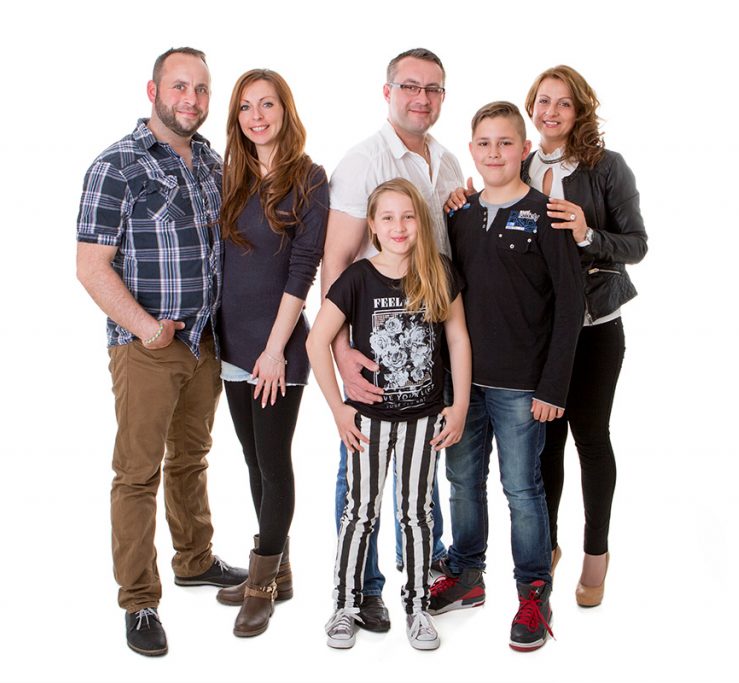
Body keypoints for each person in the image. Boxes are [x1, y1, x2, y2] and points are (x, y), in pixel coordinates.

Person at [75, 47, 246, 657]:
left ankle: (195, 560)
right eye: (179, 87)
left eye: (201, 89)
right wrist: (147, 329)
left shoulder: (211, 162)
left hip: (206, 341)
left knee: (191, 459)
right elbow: (91, 266)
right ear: (153, 91)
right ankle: (140, 600)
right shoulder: (116, 165)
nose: (191, 100)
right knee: (137, 473)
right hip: (148, 347)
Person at [322, 47, 466, 632]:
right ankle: (363, 591)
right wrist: (341, 354)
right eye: (410, 86)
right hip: (374, 357)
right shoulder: (363, 161)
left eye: (433, 89)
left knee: (419, 480)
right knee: (360, 482)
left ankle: (419, 583)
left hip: (429, 352)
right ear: (388, 92)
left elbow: (447, 256)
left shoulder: (448, 163)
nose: (421, 98)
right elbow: (335, 262)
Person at [431, 102, 583, 652]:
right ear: (471, 149)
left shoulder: (547, 215)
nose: (494, 153)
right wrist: (445, 383)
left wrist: (553, 386)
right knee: (462, 482)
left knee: (522, 489)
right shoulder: (460, 215)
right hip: (464, 384)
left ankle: (534, 592)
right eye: (484, 143)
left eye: (505, 143)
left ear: (524, 149)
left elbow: (570, 306)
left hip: (523, 387)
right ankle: (467, 574)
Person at [307, 178, 472, 651]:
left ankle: (418, 608)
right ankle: (345, 605)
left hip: (424, 419)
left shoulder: (437, 271)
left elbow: (458, 338)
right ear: (373, 227)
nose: (399, 226)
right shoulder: (357, 278)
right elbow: (317, 342)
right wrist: (338, 409)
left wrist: (459, 404)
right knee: (360, 512)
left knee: (417, 514)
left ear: (420, 222)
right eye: (388, 218)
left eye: (408, 216)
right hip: (368, 421)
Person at [522, 65, 647, 607]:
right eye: (543, 101)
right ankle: (546, 546)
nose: (551, 111)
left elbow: (637, 244)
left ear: (579, 112)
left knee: (590, 438)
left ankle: (596, 552)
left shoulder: (606, 167)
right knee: (544, 442)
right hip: (541, 329)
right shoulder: (519, 165)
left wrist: (587, 233)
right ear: (531, 106)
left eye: (563, 103)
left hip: (595, 326)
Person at [213, 69, 329, 637]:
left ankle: (260, 586)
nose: (256, 116)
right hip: (231, 344)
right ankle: (276, 570)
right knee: (253, 459)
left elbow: (304, 268)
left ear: (286, 110)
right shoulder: (230, 176)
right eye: (245, 107)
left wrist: (277, 349)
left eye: (266, 104)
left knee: (274, 459)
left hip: (276, 348)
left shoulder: (309, 177)